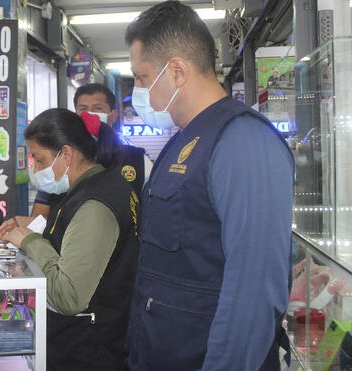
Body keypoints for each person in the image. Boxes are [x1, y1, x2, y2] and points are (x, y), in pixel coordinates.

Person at [124, 2, 293, 370]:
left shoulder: (243, 142)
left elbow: (253, 292)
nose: (137, 90)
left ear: (178, 71)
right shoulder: (184, 141)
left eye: (141, 77)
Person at [0, 109, 139, 371]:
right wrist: (35, 228)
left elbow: (68, 296)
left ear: (66, 153)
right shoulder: (94, 186)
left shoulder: (95, 204)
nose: (36, 170)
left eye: (39, 160)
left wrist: (30, 242)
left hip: (87, 350)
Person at [30, 83, 152, 219]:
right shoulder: (61, 158)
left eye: (98, 108)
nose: (89, 114)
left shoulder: (138, 160)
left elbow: (152, 212)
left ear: (113, 115)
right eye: (83, 108)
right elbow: (38, 217)